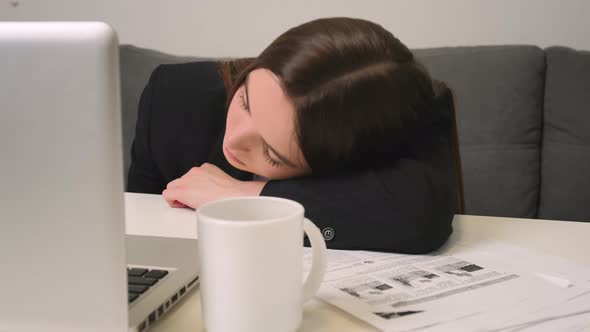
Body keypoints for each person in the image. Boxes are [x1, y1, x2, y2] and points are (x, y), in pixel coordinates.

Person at [127, 17, 464, 254]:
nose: (235, 139)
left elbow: (421, 215)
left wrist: (250, 198)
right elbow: (134, 231)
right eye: (245, 101)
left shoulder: (399, 117)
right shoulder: (172, 99)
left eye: (272, 154)